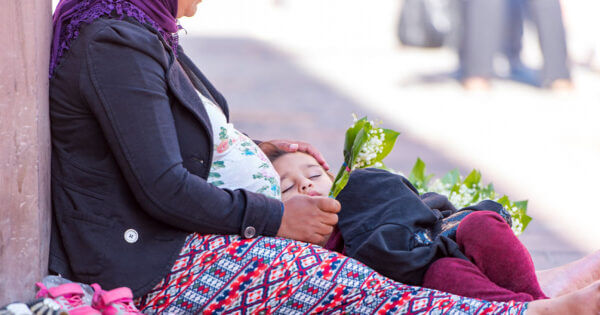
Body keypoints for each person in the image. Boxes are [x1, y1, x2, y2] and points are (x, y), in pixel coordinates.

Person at [48, 0, 600, 313]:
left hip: (186, 235)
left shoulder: (143, 30)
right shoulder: (114, 42)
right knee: (328, 275)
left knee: (370, 246)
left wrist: (265, 152)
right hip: (154, 265)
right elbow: (161, 184)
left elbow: (155, 140)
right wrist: (277, 216)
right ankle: (532, 310)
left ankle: (521, 294)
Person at [262, 143, 600, 304]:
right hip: (423, 280)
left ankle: (539, 300)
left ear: (333, 178)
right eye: (287, 188)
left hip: (438, 239)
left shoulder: (361, 191)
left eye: (313, 175)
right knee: (446, 274)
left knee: (482, 223)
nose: (306, 185)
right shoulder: (301, 247)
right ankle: (542, 306)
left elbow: (419, 209)